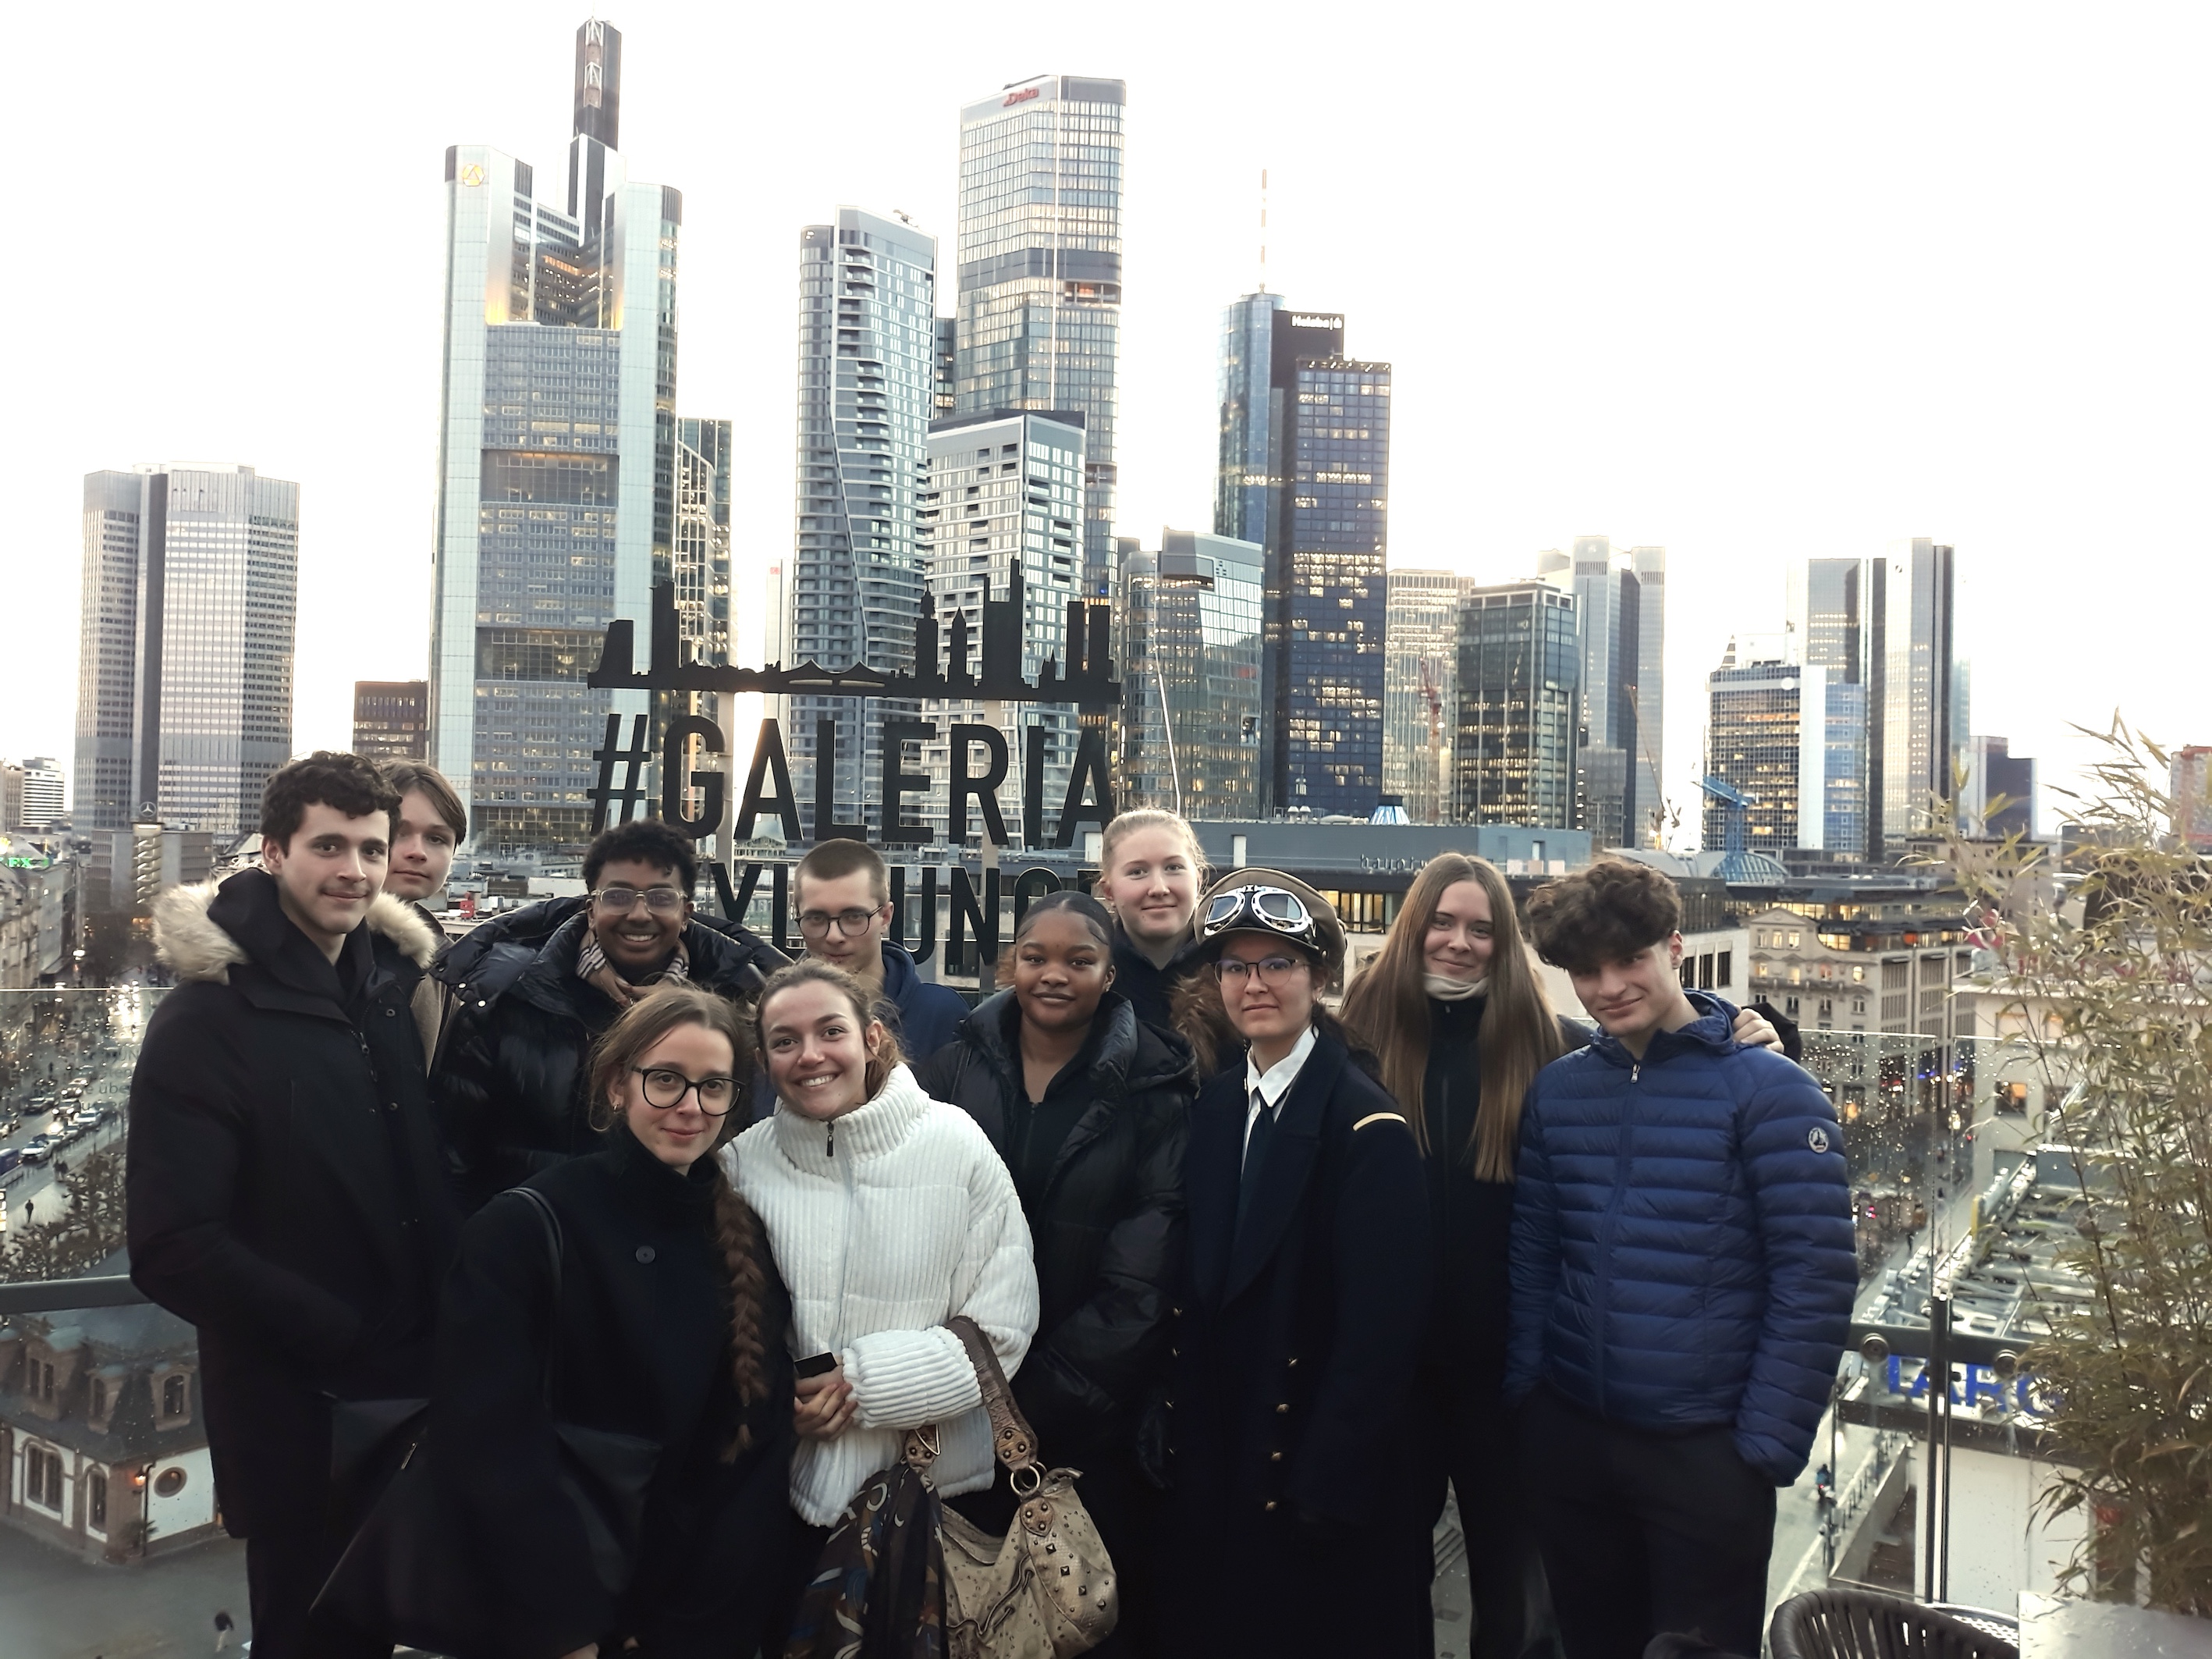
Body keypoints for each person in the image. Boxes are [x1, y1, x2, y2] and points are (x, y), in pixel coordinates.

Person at [1338, 854, 1788, 1659]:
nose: (1459, 942)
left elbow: (1663, 1069)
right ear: (1410, 928)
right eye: (1442, 921)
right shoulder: (1353, 1042)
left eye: (1481, 928)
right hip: (1387, 1373)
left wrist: (1748, 1032)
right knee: (1380, 1585)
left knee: (1520, 1606)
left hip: (1509, 1378)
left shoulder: (1552, 1048)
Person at [127, 753, 456, 1659]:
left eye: (372, 848)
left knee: (381, 1622)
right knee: (306, 1629)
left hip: (406, 1383)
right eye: (329, 846)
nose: (355, 869)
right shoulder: (205, 1018)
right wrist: (342, 1334)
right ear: (273, 852)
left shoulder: (383, 986)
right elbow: (171, 1244)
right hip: (296, 1407)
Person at [1506, 858, 1855, 1659]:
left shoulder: (1770, 1090)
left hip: (1705, 1452)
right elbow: (1535, 1252)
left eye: (1629, 959)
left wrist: (1760, 1447)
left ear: (1674, 947)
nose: (1608, 986)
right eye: (1586, 969)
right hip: (1573, 1437)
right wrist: (1530, 1399)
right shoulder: (1559, 1091)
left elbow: (1815, 1275)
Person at [425, 983, 795, 1659]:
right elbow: (488, 1444)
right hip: (560, 1613)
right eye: (666, 1080)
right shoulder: (524, 1228)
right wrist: (563, 1624)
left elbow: (751, 1455)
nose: (690, 1106)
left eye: (714, 1087)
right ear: (617, 1085)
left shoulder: (743, 1236)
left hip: (695, 1618)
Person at [914, 892, 1194, 1656]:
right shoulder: (952, 1067)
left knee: (1074, 1622)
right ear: (1013, 963)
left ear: (1110, 974)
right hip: (957, 1405)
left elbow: (1145, 1279)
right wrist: (959, 1391)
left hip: (1087, 1422)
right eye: (1036, 956)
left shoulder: (1158, 1086)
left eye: (1080, 959)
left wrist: (1035, 1403)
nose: (1054, 974)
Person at [1161, 871, 1431, 1659]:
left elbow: (1380, 1337)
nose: (1254, 984)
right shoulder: (1217, 1105)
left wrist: (1327, 1482)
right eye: (1234, 967)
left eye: (1277, 963)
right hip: (1224, 1456)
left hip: (1306, 1466)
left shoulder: (1366, 1124)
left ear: (1320, 977)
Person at [722, 961, 1038, 1610]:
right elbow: (715, 1330)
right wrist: (779, 1402)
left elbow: (1003, 1328)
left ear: (870, 1038)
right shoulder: (741, 1166)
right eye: (785, 1041)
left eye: (830, 1031)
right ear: (763, 1060)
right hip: (781, 1506)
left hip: (935, 1504)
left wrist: (859, 1384)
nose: (810, 1055)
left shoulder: (956, 1144)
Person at [433, 819, 785, 1211]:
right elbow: (451, 1158)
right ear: (591, 909)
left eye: (660, 898)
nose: (639, 914)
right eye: (618, 896)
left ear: (686, 913)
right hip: (539, 1237)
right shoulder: (510, 998)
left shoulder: (738, 1006)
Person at [790, 837, 968, 1063]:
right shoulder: (774, 1016)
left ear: (885, 917)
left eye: (854, 917)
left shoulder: (941, 1015)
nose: (834, 936)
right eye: (816, 918)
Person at [378, 759, 467, 1067]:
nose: (418, 852)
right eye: (399, 832)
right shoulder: (325, 939)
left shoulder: (450, 964)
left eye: (436, 838)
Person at [1093, 809, 1207, 1032]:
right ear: (1109, 891)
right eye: (1138, 872)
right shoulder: (1085, 978)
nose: (1159, 888)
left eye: (1173, 868)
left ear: (1198, 879)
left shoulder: (1238, 968)